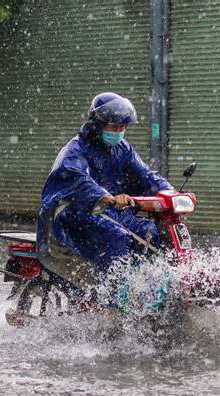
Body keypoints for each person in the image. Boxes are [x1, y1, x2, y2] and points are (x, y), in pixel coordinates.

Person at [37, 92, 173, 272]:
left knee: (152, 233)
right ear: (97, 125)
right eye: (113, 127)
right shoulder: (75, 150)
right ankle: (107, 291)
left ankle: (142, 283)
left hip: (110, 212)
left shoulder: (123, 149)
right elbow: (78, 179)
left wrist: (169, 193)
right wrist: (105, 197)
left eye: (122, 127)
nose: (118, 132)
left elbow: (145, 175)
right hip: (76, 214)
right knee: (118, 237)